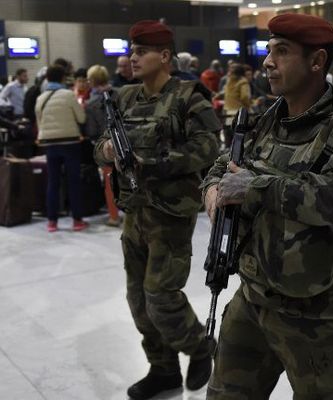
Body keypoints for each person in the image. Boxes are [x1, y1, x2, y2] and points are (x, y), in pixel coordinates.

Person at [201, 13, 333, 399]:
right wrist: (212, 191)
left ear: (317, 61)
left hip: (318, 317)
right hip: (253, 297)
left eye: (282, 51)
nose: (268, 61)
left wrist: (255, 187)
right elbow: (223, 167)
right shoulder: (265, 123)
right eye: (268, 50)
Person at [93, 20, 221, 400]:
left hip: (170, 214)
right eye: (131, 52)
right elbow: (98, 144)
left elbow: (208, 148)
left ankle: (200, 347)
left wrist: (154, 162)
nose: (132, 59)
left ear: (164, 56)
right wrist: (107, 152)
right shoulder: (124, 98)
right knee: (138, 302)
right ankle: (163, 369)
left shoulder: (188, 96)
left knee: (161, 298)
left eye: (140, 52)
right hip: (134, 214)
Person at [35, 65, 88, 232]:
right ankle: (77, 220)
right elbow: (81, 117)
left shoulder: (40, 98)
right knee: (73, 181)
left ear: (48, 79)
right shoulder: (68, 95)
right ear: (63, 78)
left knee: (53, 182)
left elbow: (39, 123)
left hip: (49, 144)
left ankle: (52, 222)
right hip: (70, 143)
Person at [84, 64, 121, 227]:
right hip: (127, 141)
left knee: (110, 182)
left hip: (106, 145)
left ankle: (114, 217)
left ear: (92, 80)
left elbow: (92, 130)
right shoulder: (121, 94)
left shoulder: (91, 103)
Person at [222, 63, 251, 146]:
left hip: (228, 113)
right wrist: (248, 105)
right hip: (240, 113)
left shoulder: (229, 81)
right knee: (241, 140)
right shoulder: (243, 82)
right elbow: (245, 97)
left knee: (229, 138)